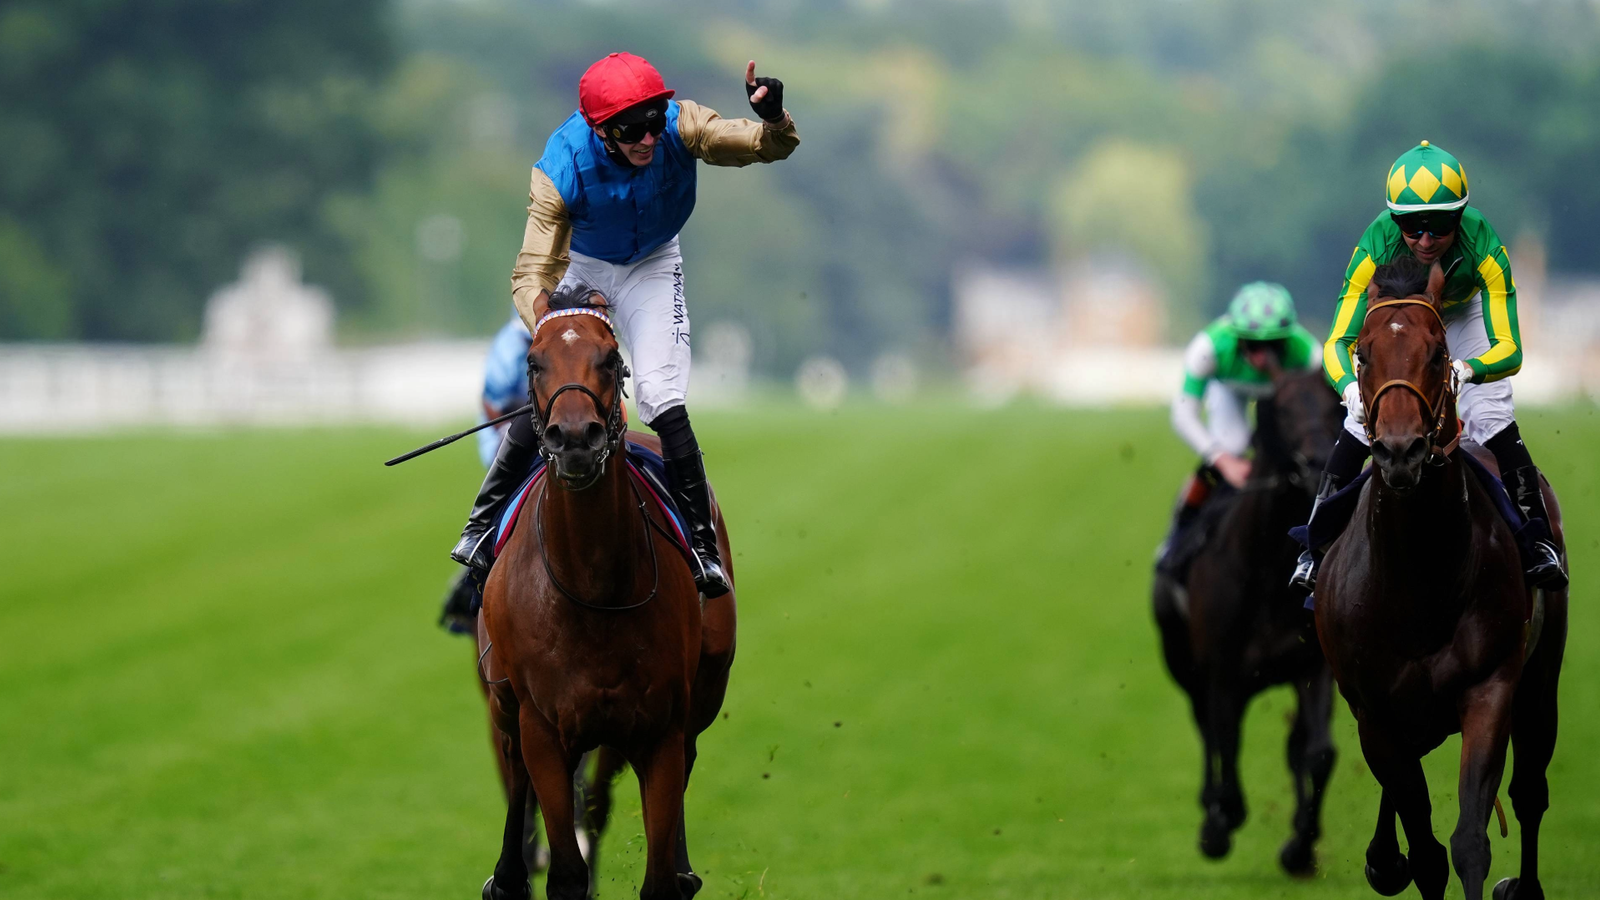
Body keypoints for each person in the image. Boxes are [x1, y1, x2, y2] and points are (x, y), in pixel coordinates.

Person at [450, 52, 799, 598]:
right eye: (631, 130)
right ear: (601, 131)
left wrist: (774, 119)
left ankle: (703, 549)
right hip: (582, 267)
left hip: (655, 263)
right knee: (563, 388)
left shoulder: (681, 125)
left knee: (660, 396)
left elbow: (766, 147)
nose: (648, 139)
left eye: (653, 122)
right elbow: (529, 274)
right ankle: (479, 529)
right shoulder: (559, 168)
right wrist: (554, 319)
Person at [1290, 141, 1567, 592]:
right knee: (1362, 424)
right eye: (1411, 226)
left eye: (1439, 226)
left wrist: (1465, 371)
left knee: (1490, 415)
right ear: (1393, 221)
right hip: (1405, 318)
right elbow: (1337, 341)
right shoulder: (1373, 246)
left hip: (1466, 314)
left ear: (1460, 217)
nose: (1424, 240)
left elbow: (1509, 349)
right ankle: (1313, 548)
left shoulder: (1485, 245)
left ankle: (1538, 542)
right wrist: (1350, 390)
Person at [1156, 282, 1320, 576]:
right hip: (1229, 391)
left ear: (1289, 338)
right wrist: (1222, 459)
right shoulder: (1208, 348)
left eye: (1274, 344)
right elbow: (1183, 414)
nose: (1262, 357)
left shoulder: (1309, 353)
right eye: (1252, 344)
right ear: (1236, 337)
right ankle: (1177, 535)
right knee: (1231, 445)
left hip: (1283, 395)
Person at [439, 313, 537, 634]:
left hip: (549, 426)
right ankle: (472, 577)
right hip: (506, 432)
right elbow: (493, 403)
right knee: (511, 500)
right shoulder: (511, 345)